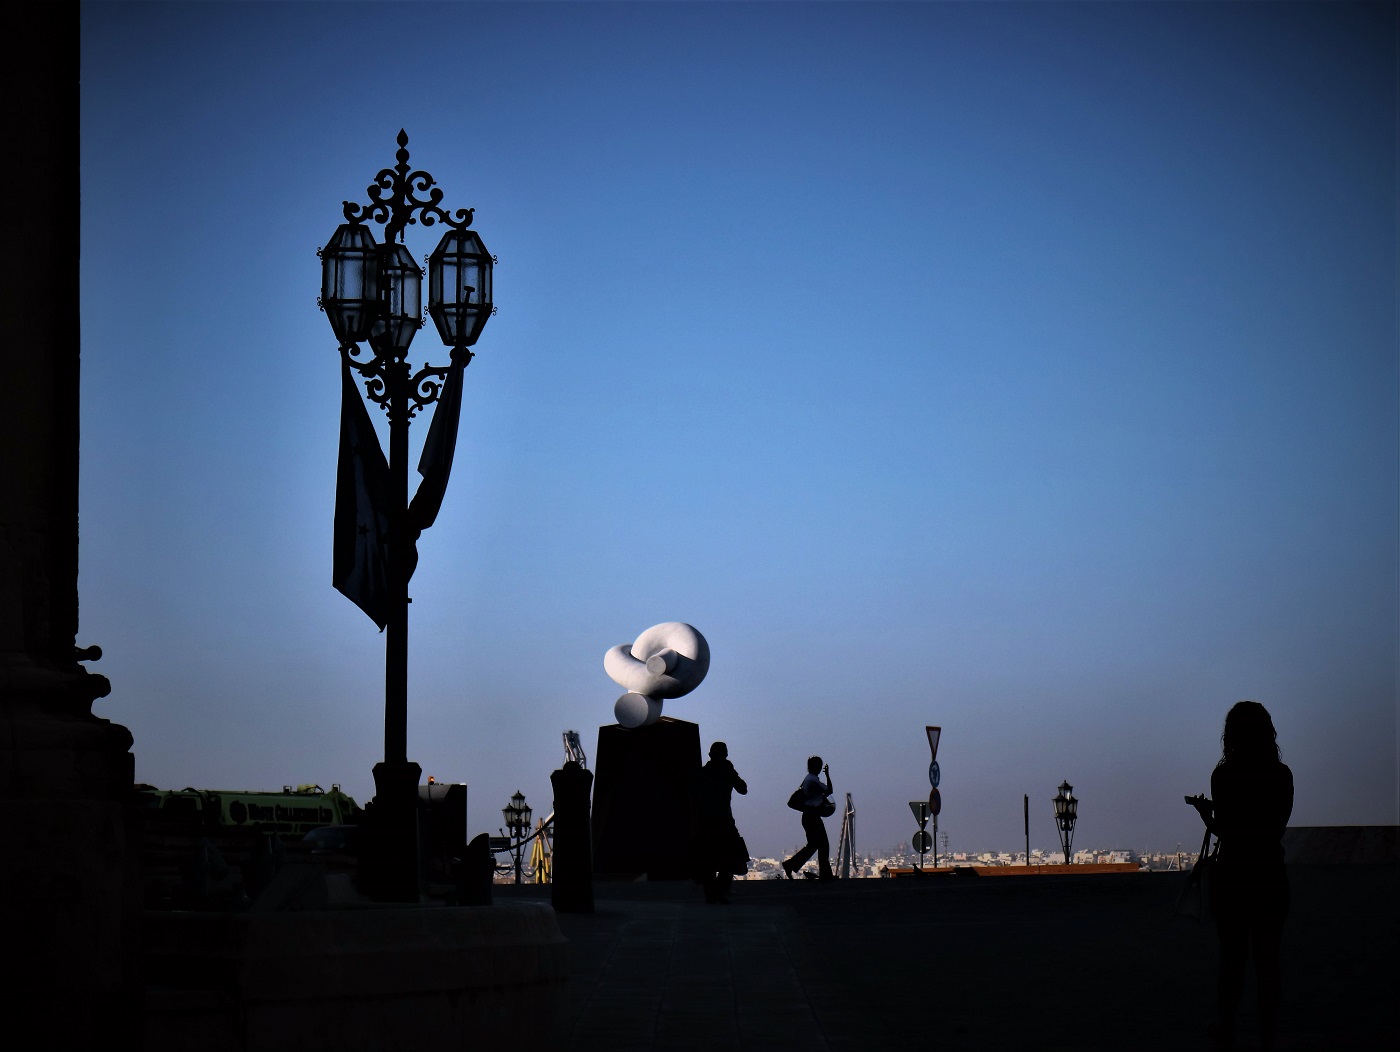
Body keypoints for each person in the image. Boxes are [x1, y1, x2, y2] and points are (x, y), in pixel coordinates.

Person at [1188, 701, 1293, 1050]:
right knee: (1268, 961)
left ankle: (1228, 1028)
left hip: (1233, 877)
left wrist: (1206, 815)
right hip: (1269, 875)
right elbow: (1273, 830)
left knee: (1232, 958)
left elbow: (1229, 831)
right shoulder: (1282, 776)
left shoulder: (1224, 776)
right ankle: (1268, 1036)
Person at [692, 741, 748, 904]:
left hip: (707, 822)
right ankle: (719, 891)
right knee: (729, 858)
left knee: (710, 859)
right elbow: (743, 789)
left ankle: (712, 893)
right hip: (723, 821)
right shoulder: (726, 771)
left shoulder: (704, 773)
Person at [782, 756, 834, 880]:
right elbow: (829, 790)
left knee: (815, 844)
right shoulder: (813, 780)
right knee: (821, 844)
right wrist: (827, 775)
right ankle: (824, 874)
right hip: (812, 815)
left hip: (810, 815)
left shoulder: (809, 780)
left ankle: (791, 865)